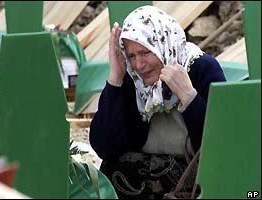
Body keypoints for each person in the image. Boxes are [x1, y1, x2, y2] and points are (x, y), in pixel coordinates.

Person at [89, 5, 226, 199]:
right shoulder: (133, 77)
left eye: (145, 52)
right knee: (112, 168)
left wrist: (188, 97)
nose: (138, 64)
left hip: (197, 171)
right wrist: (115, 80)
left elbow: (222, 145)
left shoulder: (200, 68)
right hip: (147, 169)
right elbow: (104, 147)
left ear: (163, 43)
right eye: (131, 56)